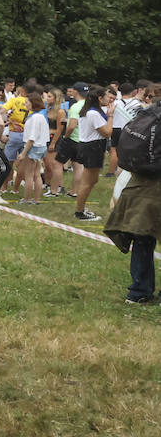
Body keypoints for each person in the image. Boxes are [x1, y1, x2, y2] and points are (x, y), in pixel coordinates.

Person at [106, 163, 161, 305]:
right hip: (148, 186)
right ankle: (140, 291)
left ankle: (139, 292)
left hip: (138, 185)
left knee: (142, 237)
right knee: (142, 237)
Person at [73, 86, 113, 221]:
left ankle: (81, 208)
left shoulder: (90, 111)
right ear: (100, 98)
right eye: (107, 96)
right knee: (87, 182)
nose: (110, 99)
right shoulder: (93, 113)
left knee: (92, 180)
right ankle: (80, 212)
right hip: (92, 148)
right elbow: (107, 132)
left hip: (90, 146)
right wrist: (111, 116)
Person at [17, 91, 50, 205]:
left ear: (33, 103)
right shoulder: (41, 116)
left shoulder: (36, 117)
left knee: (29, 175)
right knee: (36, 174)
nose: (25, 104)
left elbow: (32, 137)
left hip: (33, 148)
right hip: (40, 147)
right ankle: (36, 199)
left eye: (27, 102)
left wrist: (23, 153)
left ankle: (26, 200)